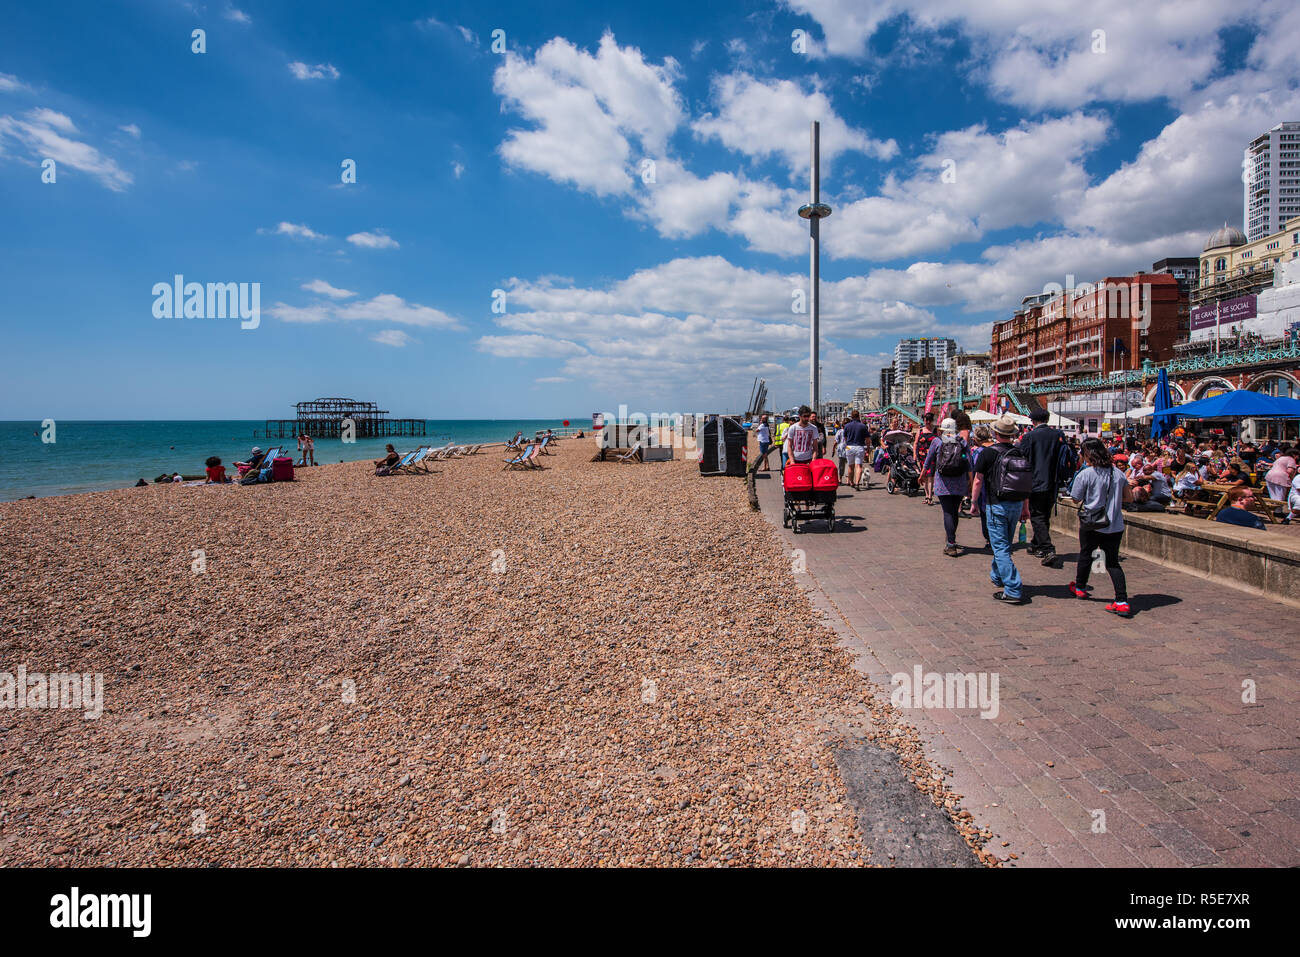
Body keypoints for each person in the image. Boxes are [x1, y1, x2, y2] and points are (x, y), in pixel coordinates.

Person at [1067, 438, 1135, 618]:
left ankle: (1080, 587)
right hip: (1114, 524)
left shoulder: (1086, 474)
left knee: (1086, 554)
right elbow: (1129, 498)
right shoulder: (1118, 473)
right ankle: (1121, 601)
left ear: (1086, 455)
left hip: (1091, 523)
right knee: (1112, 562)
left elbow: (1075, 498)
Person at [969, 414, 1028, 604]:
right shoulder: (1019, 453)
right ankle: (997, 576)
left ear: (995, 432)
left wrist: (973, 502)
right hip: (1016, 503)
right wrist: (1025, 508)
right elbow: (1026, 483)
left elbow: (978, 480)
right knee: (1003, 544)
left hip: (996, 505)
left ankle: (1012, 588)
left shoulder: (988, 453)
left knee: (1001, 547)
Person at [1017, 408, 1064, 566]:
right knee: (1045, 515)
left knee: (1037, 516)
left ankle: (1047, 548)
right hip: (1054, 481)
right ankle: (1036, 544)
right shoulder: (1058, 435)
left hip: (1035, 481)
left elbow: (1022, 459)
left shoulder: (1029, 437)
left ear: (1033, 421)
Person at [922, 418, 970, 556]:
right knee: (954, 511)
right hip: (960, 481)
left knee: (948, 512)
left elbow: (928, 460)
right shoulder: (962, 442)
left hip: (943, 482)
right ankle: (951, 538)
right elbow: (969, 463)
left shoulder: (937, 441)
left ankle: (951, 543)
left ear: (942, 429)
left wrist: (922, 475)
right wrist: (970, 482)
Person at [840, 410, 870, 490]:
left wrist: (848, 444)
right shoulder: (863, 426)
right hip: (859, 446)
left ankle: (851, 482)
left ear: (851, 416)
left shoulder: (847, 426)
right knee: (858, 466)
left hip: (849, 447)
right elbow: (867, 439)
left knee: (850, 466)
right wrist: (868, 448)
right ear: (858, 416)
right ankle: (857, 483)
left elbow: (845, 438)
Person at [915, 412, 938, 505]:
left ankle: (930, 497)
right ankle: (926, 495)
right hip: (922, 456)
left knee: (930, 476)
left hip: (932, 456)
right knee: (924, 476)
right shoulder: (920, 430)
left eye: (929, 420)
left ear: (932, 420)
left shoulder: (935, 430)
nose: (927, 422)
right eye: (926, 420)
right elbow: (916, 443)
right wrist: (914, 454)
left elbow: (939, 442)